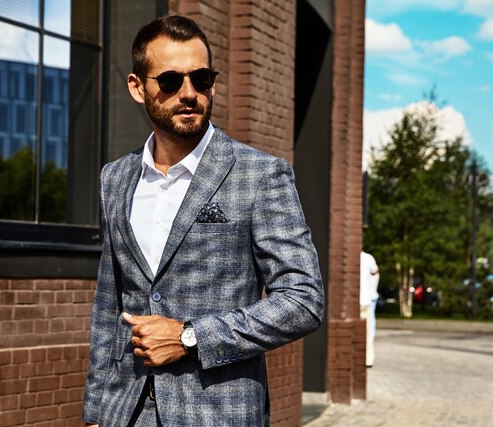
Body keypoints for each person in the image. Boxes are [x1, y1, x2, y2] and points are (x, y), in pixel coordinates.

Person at [82, 15, 324, 427]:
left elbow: (304, 300)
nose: (190, 93)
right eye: (172, 81)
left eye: (201, 78)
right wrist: (95, 411)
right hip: (127, 413)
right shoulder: (115, 178)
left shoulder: (259, 174)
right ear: (138, 88)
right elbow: (109, 306)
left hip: (219, 413)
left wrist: (189, 337)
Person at [360, 250, 380, 367]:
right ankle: (368, 359)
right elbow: (375, 271)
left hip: (358, 299)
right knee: (367, 331)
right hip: (366, 300)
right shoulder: (368, 258)